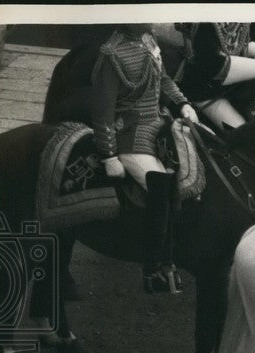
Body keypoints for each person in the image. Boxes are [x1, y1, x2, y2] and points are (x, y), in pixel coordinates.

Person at [90, 24, 199, 294]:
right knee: (160, 186)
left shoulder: (148, 39)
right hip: (129, 133)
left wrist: (181, 103)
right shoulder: (111, 54)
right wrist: (108, 155)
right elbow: (102, 110)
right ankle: (152, 270)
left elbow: (163, 80)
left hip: (160, 123)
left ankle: (177, 255)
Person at [175, 22, 255, 130]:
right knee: (245, 134)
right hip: (204, 88)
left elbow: (241, 44)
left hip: (233, 83)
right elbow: (214, 66)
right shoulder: (206, 23)